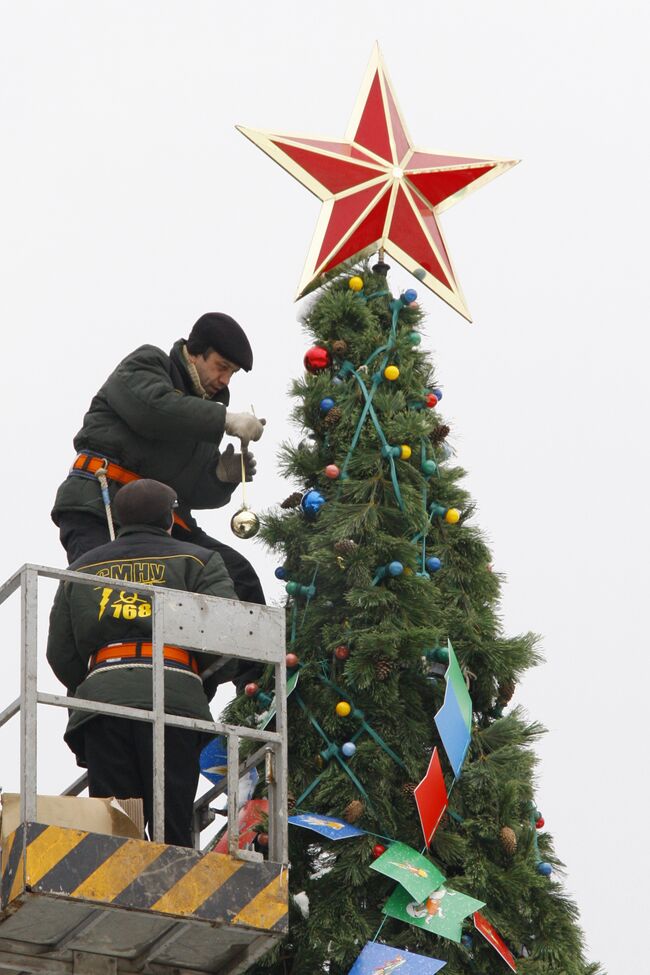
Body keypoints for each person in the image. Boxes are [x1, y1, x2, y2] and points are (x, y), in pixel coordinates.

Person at [46, 479, 241, 848]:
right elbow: (227, 638)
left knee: (117, 824)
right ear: (171, 517)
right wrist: (196, 681)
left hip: (104, 703)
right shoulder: (197, 560)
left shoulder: (83, 568)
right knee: (172, 822)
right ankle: (175, 882)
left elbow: (61, 654)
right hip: (175, 698)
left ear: (117, 519)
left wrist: (96, 685)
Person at [51, 312, 266, 603]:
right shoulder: (149, 364)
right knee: (105, 596)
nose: (225, 379)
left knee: (238, 576)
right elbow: (152, 411)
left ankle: (236, 650)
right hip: (100, 509)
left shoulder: (202, 414)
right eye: (221, 367)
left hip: (162, 524)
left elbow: (189, 492)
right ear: (195, 354)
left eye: (232, 373)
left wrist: (219, 477)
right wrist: (223, 419)